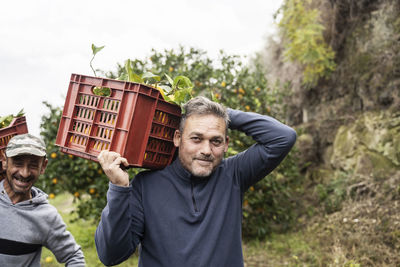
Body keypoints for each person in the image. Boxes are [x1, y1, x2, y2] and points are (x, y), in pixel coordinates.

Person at [95, 96, 297, 266]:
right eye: (196, 139)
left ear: (226, 144)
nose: (206, 151)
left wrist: (223, 115)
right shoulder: (145, 185)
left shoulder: (233, 174)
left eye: (216, 140)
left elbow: (283, 137)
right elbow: (110, 255)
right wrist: (119, 188)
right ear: (177, 138)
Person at [0, 134, 86, 267]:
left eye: (33, 165)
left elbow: (74, 256)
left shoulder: (45, 216)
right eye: (18, 163)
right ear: (5, 161)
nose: (24, 173)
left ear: (43, 166)